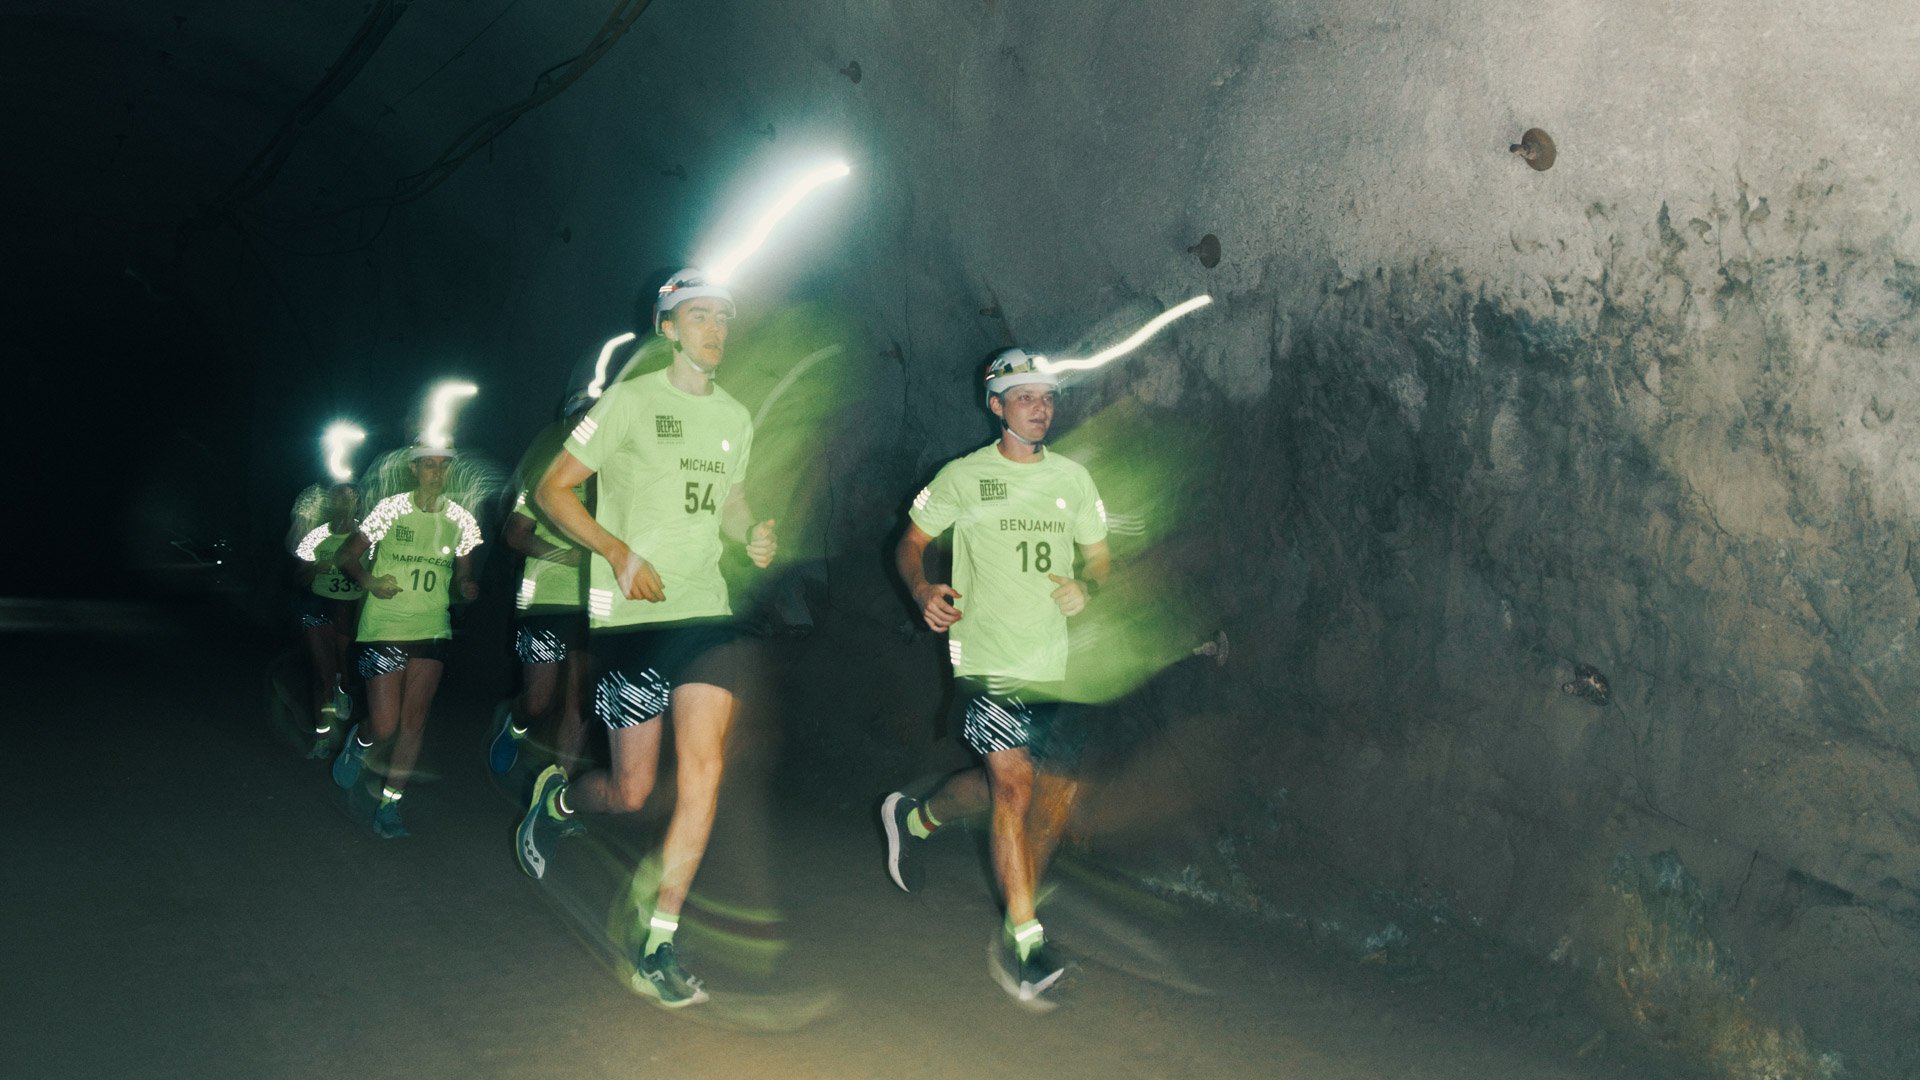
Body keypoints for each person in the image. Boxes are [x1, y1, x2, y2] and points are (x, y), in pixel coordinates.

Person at [516, 268, 776, 1008]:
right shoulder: (628, 402)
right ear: (668, 327)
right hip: (632, 618)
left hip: (705, 612)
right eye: (698, 316)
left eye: (723, 316)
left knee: (703, 773)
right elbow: (552, 491)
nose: (715, 329)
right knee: (631, 792)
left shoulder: (735, 415)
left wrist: (749, 532)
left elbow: (728, 497)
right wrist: (617, 551)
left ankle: (658, 939)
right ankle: (562, 802)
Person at [884, 347, 1111, 1005]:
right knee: (1012, 788)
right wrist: (923, 588)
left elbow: (1099, 558)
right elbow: (909, 542)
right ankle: (1026, 944)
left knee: (1024, 794)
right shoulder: (963, 476)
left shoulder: (1074, 478)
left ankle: (916, 817)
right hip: (987, 661)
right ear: (996, 406)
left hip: (1057, 670)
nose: (1041, 409)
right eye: (1025, 398)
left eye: (1047, 397)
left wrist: (1087, 588)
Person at [330, 445, 483, 838]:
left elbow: (465, 574)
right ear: (414, 469)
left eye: (443, 465)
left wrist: (467, 586)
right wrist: (369, 581)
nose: (436, 472)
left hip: (432, 627)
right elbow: (348, 555)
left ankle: (389, 806)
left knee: (413, 722)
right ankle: (360, 740)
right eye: (429, 464)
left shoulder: (461, 519)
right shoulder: (391, 509)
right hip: (384, 626)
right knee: (384, 726)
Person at [486, 395, 594, 779]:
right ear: (566, 425)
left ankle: (557, 791)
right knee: (537, 700)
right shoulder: (545, 473)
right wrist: (560, 556)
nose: (589, 424)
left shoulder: (614, 480)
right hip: (545, 600)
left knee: (580, 701)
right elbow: (514, 535)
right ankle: (515, 727)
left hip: (595, 605)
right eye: (581, 417)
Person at [291, 483, 365, 758]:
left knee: (345, 671)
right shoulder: (316, 535)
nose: (343, 504)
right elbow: (298, 577)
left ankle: (343, 685)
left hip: (350, 607)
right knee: (322, 674)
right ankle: (322, 737)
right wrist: (313, 569)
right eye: (338, 498)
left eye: (349, 498)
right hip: (316, 604)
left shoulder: (365, 535)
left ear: (357, 502)